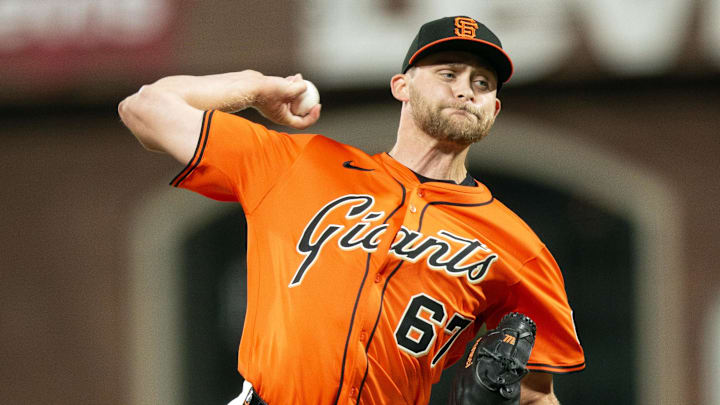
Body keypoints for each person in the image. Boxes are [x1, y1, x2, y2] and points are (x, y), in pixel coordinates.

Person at [119, 15, 584, 405]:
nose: (466, 90)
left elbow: (535, 393)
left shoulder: (517, 246)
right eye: (449, 73)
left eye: (482, 83)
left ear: (495, 109)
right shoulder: (300, 164)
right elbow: (146, 107)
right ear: (402, 86)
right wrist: (258, 88)